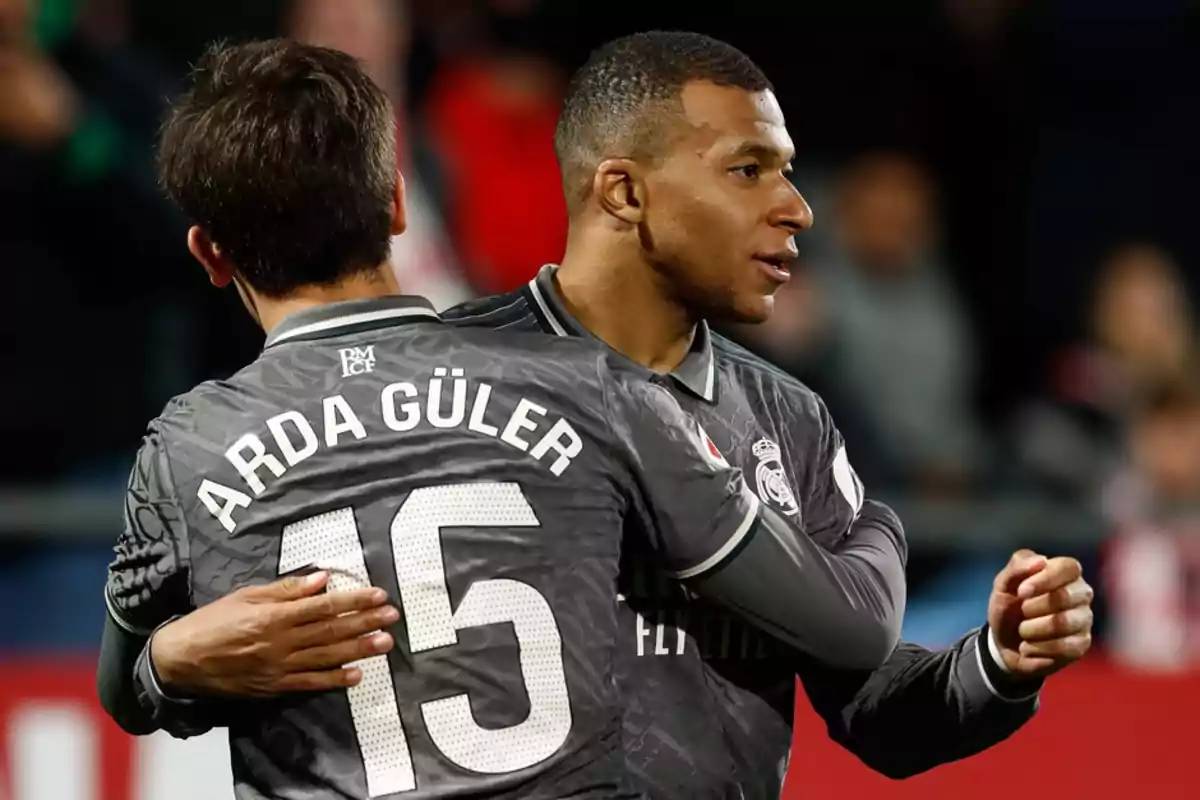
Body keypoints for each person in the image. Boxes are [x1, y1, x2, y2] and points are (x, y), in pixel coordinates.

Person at [106, 32, 1094, 798]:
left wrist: (999, 663)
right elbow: (857, 624)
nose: (797, 206)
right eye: (749, 168)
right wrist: (887, 524)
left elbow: (880, 706)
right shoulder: (516, 374)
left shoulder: (788, 420)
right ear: (622, 188)